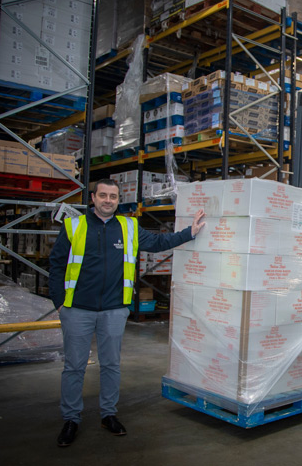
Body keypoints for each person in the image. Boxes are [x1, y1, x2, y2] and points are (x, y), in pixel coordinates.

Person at [49, 179, 205, 447]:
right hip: (77, 310)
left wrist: (188, 232)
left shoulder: (129, 227)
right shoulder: (74, 226)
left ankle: (108, 414)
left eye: (113, 196)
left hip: (114, 310)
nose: (108, 200)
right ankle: (71, 419)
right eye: (103, 195)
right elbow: (56, 264)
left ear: (118, 199)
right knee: (74, 367)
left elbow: (158, 242)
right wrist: (59, 303)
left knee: (111, 365)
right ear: (93, 198)